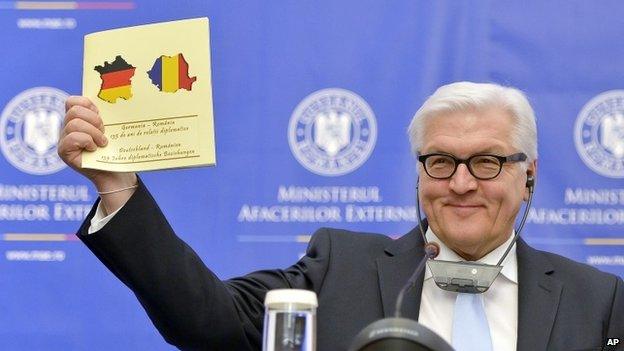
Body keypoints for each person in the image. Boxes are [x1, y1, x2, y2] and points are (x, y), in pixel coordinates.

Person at [59, 82, 623, 351]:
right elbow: (206, 321)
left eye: (488, 161)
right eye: (441, 160)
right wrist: (117, 185)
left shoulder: (599, 301)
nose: (461, 183)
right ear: (419, 173)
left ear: (528, 176)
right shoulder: (340, 266)